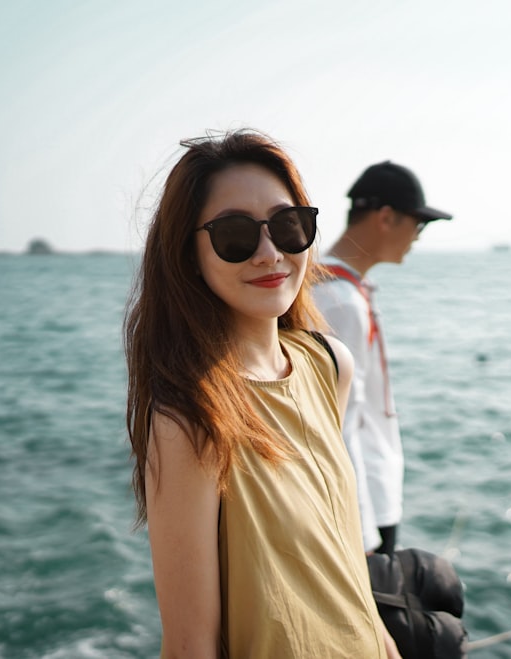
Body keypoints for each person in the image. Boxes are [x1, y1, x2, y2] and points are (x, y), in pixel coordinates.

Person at [123, 129, 400, 658]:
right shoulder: (191, 417)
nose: (270, 252)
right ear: (188, 255)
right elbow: (189, 647)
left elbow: (337, 549)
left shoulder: (329, 365)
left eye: (287, 225)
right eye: (234, 235)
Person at [313, 161, 453, 555]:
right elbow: (339, 423)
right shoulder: (338, 300)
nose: (418, 237)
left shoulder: (339, 289)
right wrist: (362, 537)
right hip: (366, 508)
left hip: (370, 497)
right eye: (419, 225)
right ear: (386, 217)